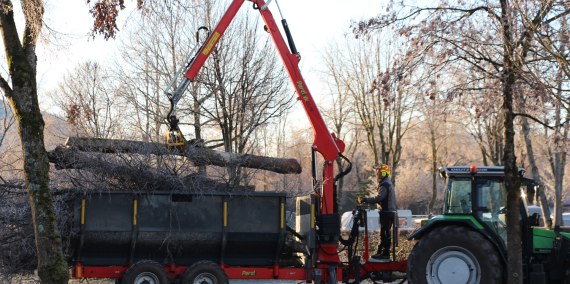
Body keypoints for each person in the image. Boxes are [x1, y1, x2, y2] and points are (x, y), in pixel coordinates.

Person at [357, 164, 397, 261]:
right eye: (377, 171)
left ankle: (385, 254)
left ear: (384, 173)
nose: (377, 173)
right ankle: (381, 252)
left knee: (385, 234)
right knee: (384, 233)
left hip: (386, 213)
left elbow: (379, 198)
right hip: (387, 212)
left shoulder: (384, 184)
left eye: (379, 172)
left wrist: (365, 199)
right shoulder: (386, 182)